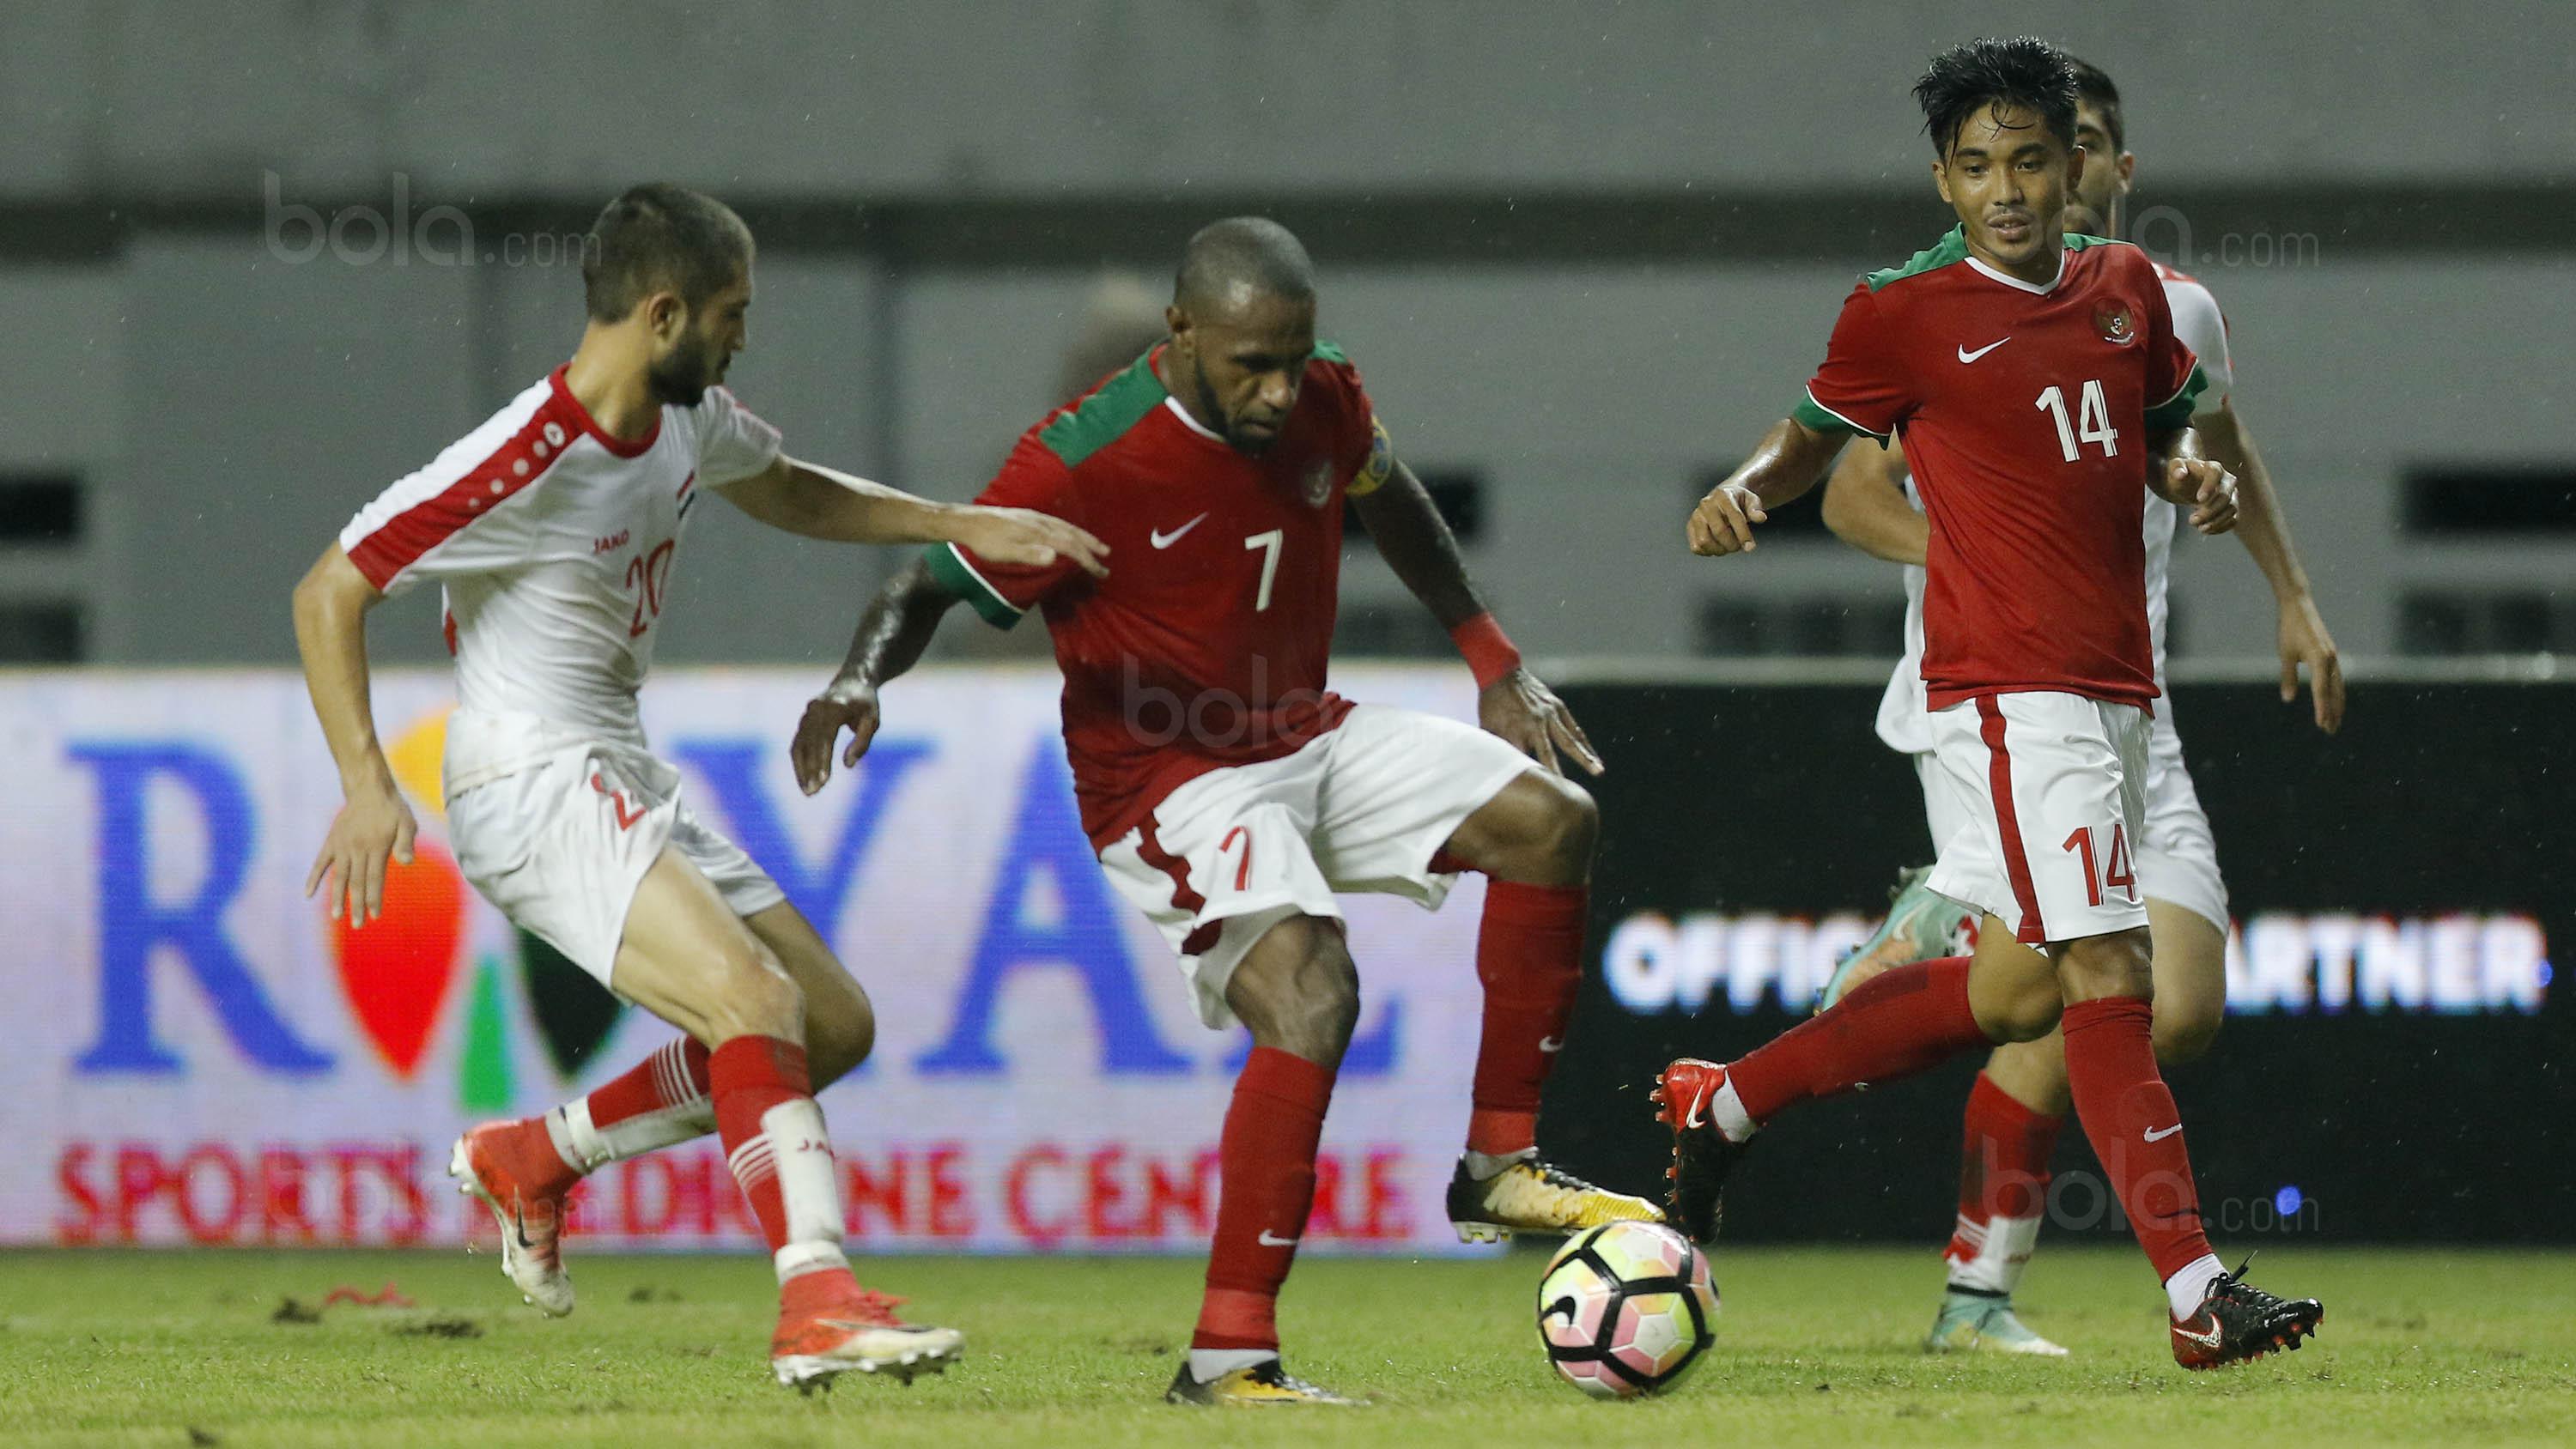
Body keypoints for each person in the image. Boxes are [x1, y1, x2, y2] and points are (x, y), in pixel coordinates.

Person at [791, 216, 1661, 1406]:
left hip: (1304, 729)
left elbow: (1389, 491)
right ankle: (1229, 1357)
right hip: (1164, 779)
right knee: (1312, 993)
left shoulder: (1324, 395)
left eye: (1294, 357)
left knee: (1552, 824)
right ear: (1181, 334)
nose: (1278, 388)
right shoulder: (1083, 457)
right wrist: (856, 680)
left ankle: (1497, 1164)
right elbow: (927, 583)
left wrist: (1491, 655)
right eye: (1252, 362)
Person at [291, 183, 1104, 1391]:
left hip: (614, 765)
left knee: (828, 1023)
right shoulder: (527, 454)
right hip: (529, 778)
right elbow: (330, 589)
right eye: (733, 313)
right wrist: (366, 782)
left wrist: (964, 523)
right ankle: (817, 1299)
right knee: (749, 999)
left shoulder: (685, 417)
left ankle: (537, 1157)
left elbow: (792, 489)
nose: (745, 336)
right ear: (662, 312)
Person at [1653, 39, 2324, 1370]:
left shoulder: (2131, 291)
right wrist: (1741, 491)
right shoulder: (1901, 308)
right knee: (2107, 975)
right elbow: (1812, 447)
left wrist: (2191, 479)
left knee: (2027, 991)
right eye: (1977, 167)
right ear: (1944, 182)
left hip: (2123, 689)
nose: (2007, 189)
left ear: (2079, 167)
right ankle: (2194, 1295)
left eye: (2029, 160)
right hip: (2008, 692)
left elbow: (2178, 426)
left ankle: (1725, 1102)